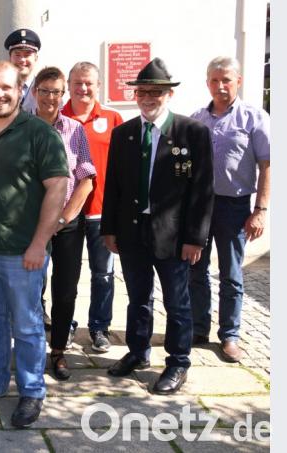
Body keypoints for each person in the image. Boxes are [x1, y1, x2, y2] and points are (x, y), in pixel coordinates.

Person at [0, 61, 69, 428]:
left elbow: (57, 188)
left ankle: (32, 391)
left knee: (26, 325)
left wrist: (40, 242)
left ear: (21, 90)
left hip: (22, 252)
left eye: (7, 87)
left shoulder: (39, 133)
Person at [102, 58, 214, 395]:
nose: (149, 98)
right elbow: (114, 186)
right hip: (132, 233)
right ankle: (137, 352)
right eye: (143, 92)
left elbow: (202, 190)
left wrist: (195, 237)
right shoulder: (123, 134)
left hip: (175, 235)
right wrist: (109, 228)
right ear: (135, 95)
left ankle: (178, 361)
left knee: (177, 302)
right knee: (137, 298)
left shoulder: (192, 132)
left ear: (169, 95)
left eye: (156, 92)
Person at [189, 56, 270, 362]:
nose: (220, 86)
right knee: (195, 268)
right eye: (214, 80)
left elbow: (268, 165)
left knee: (231, 274)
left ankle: (230, 335)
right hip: (200, 204)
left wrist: (260, 209)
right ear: (207, 82)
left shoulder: (254, 118)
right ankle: (199, 327)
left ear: (238, 81)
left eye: (226, 80)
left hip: (234, 206)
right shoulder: (197, 118)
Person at [31, 67, 96, 381]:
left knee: (65, 290)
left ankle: (58, 351)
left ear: (63, 94)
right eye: (44, 91)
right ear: (34, 93)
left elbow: (86, 180)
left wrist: (64, 217)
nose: (50, 97)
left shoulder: (74, 129)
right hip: (31, 224)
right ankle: (30, 352)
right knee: (31, 289)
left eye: (56, 91)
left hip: (68, 224)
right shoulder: (22, 128)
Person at [61, 62, 125, 354]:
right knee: (67, 275)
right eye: (77, 83)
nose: (83, 89)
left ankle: (99, 327)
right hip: (68, 213)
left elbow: (125, 166)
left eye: (88, 83)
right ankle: (66, 325)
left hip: (102, 210)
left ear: (98, 86)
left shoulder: (112, 118)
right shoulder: (57, 116)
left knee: (103, 273)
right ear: (69, 85)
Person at [4, 28, 41, 113]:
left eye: (27, 54)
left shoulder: (44, 89)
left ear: (36, 58)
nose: (22, 60)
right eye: (17, 54)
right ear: (10, 58)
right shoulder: (1, 88)